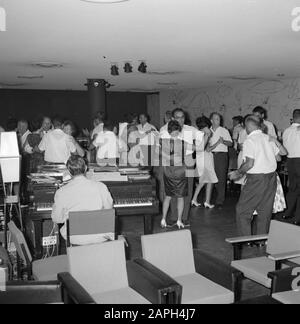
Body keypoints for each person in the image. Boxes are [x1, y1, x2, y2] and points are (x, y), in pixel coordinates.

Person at [230, 115, 287, 236]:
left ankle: (245, 240)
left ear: (246, 127)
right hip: (271, 178)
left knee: (242, 211)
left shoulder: (250, 141)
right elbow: (279, 157)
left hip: (256, 179)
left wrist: (238, 172)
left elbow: (249, 163)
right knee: (265, 211)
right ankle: (262, 239)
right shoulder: (268, 138)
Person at [51, 156, 113, 245]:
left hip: (75, 238)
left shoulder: (61, 192)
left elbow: (57, 219)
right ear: (86, 168)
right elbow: (109, 209)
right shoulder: (101, 186)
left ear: (68, 171)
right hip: (100, 235)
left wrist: (69, 217)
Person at [160, 120, 188, 229]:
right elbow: (198, 149)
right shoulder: (182, 142)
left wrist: (167, 157)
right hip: (179, 171)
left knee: (169, 196)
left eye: (176, 133)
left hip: (169, 171)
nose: (175, 135)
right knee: (179, 197)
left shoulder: (164, 142)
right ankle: (179, 220)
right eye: (174, 133)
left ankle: (164, 219)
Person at [192, 116, 217, 209]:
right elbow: (207, 148)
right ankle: (206, 201)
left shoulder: (199, 133)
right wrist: (218, 142)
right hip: (206, 157)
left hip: (201, 157)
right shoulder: (206, 133)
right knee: (210, 179)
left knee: (203, 180)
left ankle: (195, 199)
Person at [208, 113, 233, 209]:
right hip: (210, 155)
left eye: (219, 119)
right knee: (210, 178)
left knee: (221, 178)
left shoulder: (224, 130)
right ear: (211, 120)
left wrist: (223, 141)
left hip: (221, 156)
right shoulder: (208, 131)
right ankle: (208, 199)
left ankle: (219, 201)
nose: (218, 121)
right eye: (216, 119)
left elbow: (230, 143)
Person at [282, 109, 300, 225]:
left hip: (290, 161)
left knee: (293, 187)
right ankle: (297, 217)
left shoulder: (286, 131)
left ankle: (287, 212)